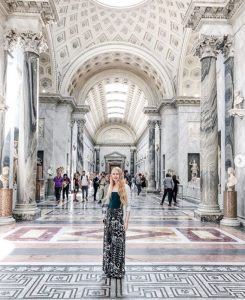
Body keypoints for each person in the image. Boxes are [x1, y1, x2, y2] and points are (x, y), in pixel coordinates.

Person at [102, 167, 131, 279]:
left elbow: (128, 206)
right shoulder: (110, 187)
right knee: (109, 244)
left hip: (118, 219)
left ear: (120, 175)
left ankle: (117, 270)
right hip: (109, 219)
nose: (115, 176)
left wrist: (126, 222)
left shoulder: (125, 187)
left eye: (117, 174)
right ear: (111, 175)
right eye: (113, 174)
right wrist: (104, 216)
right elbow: (106, 203)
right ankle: (109, 269)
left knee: (117, 244)